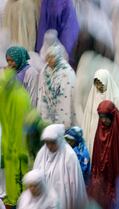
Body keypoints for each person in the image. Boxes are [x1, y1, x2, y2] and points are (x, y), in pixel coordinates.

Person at [33, 124, 87, 209]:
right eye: (47, 143)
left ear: (59, 140)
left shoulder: (69, 156)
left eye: (53, 143)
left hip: (61, 202)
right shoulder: (42, 154)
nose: (49, 147)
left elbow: (76, 186)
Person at [0, 69, 32, 206]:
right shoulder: (5, 94)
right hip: (8, 142)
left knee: (21, 171)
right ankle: (13, 198)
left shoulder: (20, 97)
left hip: (20, 143)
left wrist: (17, 145)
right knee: (10, 172)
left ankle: (23, 200)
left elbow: (21, 125)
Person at [82, 69, 119, 156]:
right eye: (96, 83)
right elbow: (87, 117)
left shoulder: (117, 98)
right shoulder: (93, 96)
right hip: (94, 137)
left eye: (100, 83)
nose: (98, 86)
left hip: (110, 137)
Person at [37, 46, 76, 129]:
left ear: (58, 56)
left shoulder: (67, 71)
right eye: (48, 57)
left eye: (52, 57)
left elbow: (67, 94)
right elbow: (42, 89)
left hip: (62, 108)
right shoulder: (45, 70)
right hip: (48, 108)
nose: (49, 60)